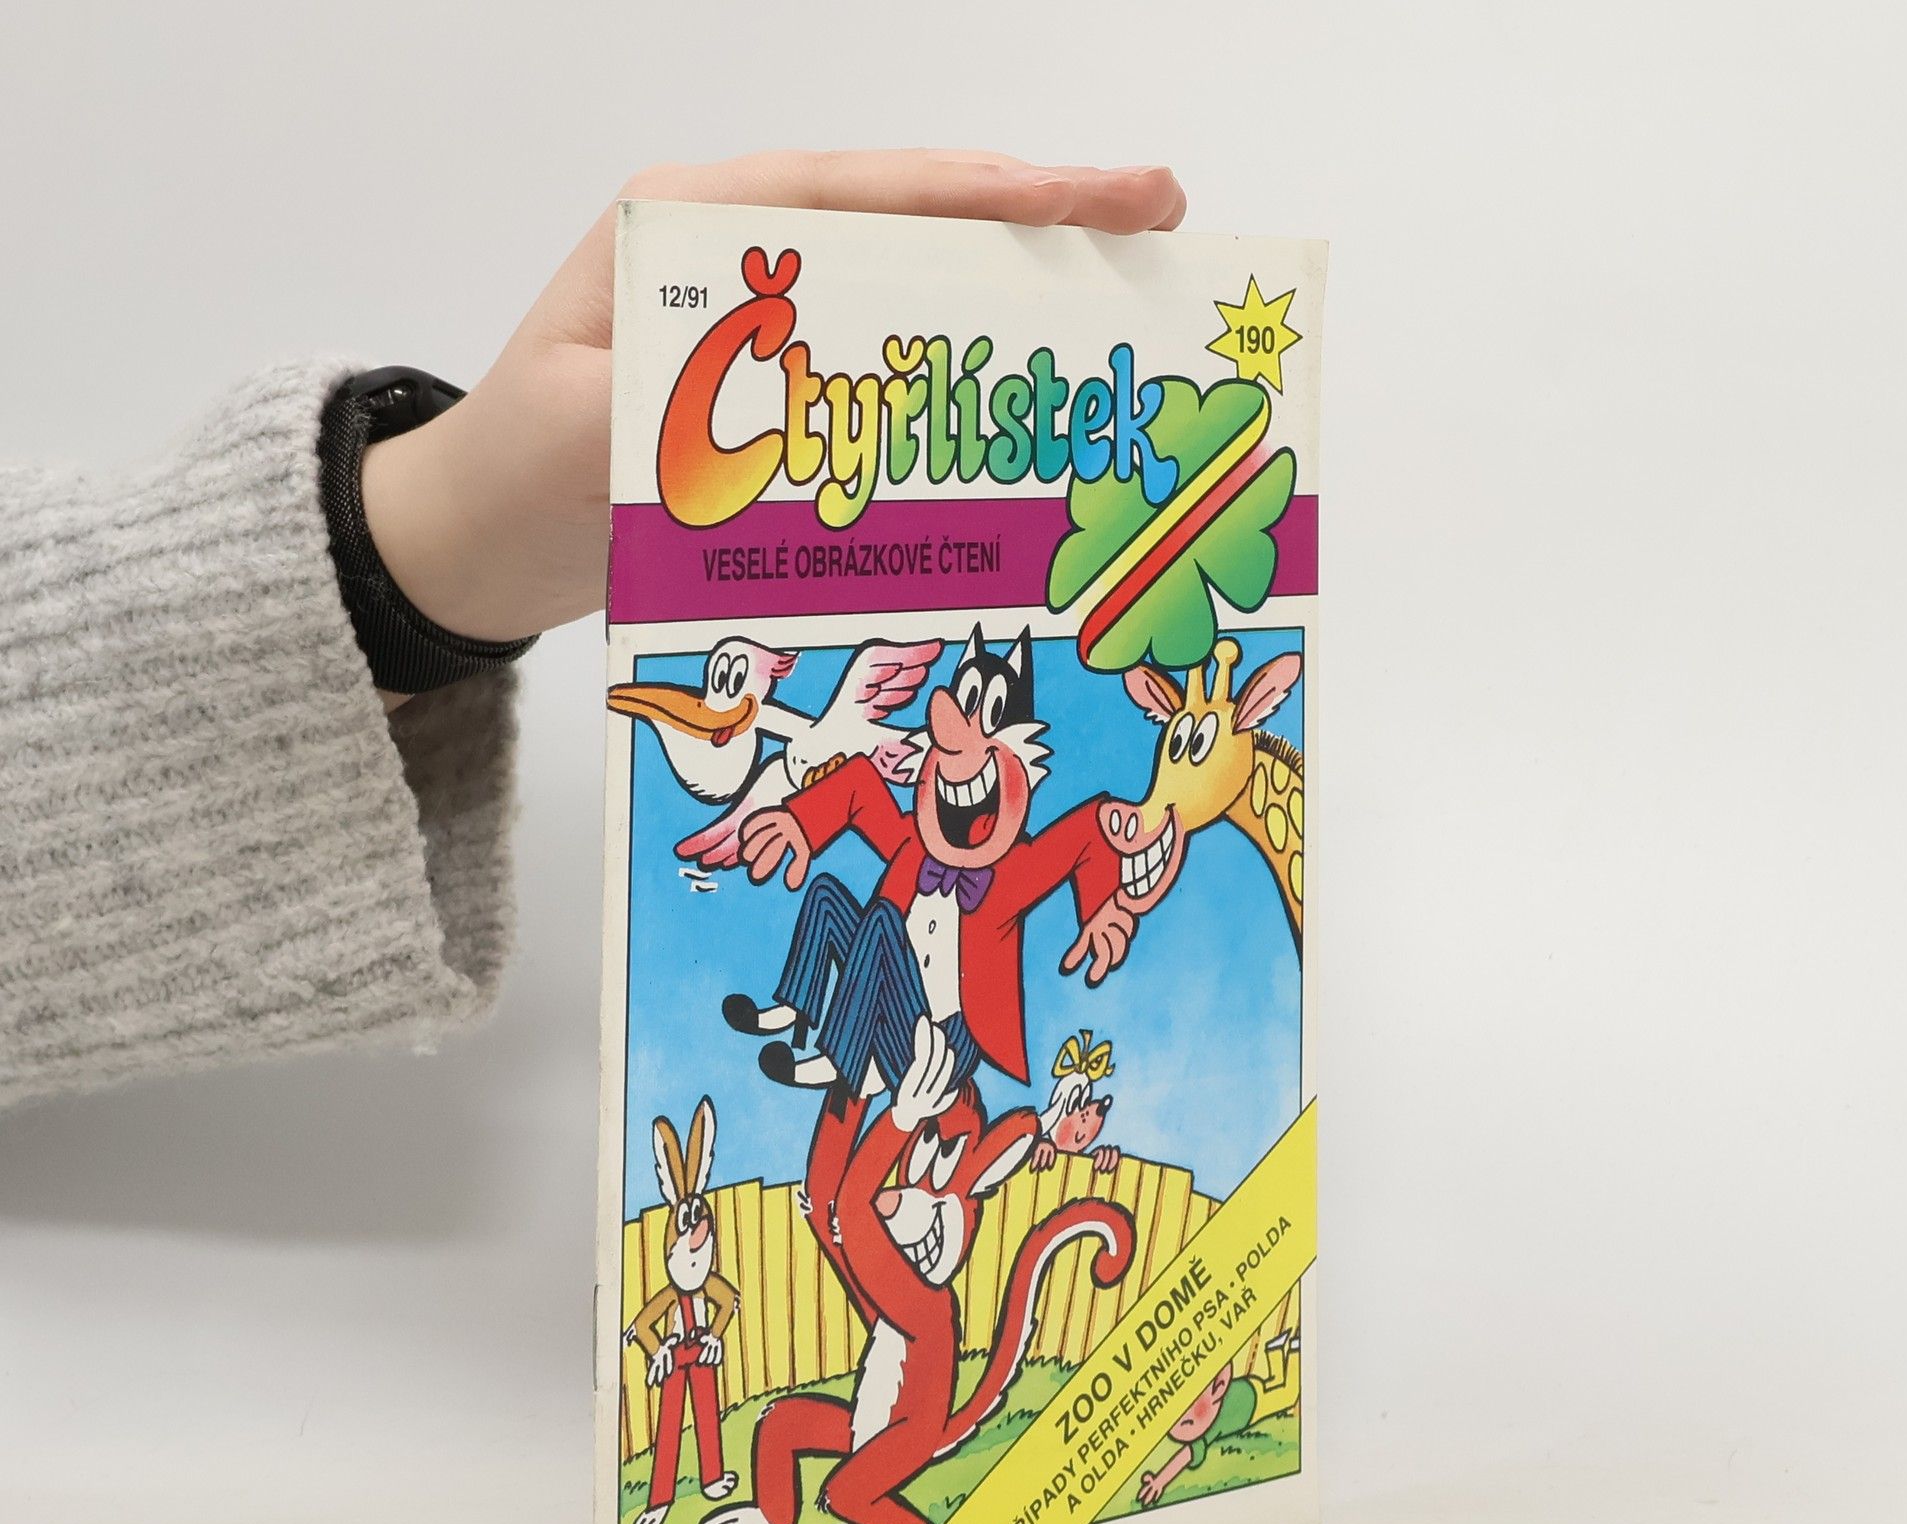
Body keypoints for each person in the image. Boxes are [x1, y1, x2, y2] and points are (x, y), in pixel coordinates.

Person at [0, 151, 1186, 1113]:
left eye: (982, 733)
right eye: (954, 720)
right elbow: (846, 802)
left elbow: (1085, 836)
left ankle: (844, 1044)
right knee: (845, 910)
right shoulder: (903, 808)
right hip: (883, 1036)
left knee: (873, 936)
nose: (955, 750)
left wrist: (1120, 891)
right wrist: (778, 818)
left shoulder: (1005, 850)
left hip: (961, 1054)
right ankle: (805, 1022)